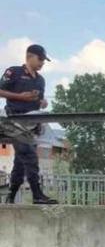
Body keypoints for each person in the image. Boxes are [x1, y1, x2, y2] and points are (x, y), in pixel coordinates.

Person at [0, 44, 58, 204]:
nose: (42, 63)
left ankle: (10, 196)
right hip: (14, 122)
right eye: (40, 59)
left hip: (32, 124)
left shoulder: (40, 80)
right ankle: (37, 194)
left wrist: (43, 103)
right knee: (29, 156)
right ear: (29, 56)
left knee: (20, 161)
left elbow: (40, 102)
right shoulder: (14, 72)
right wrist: (19, 96)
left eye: (44, 60)